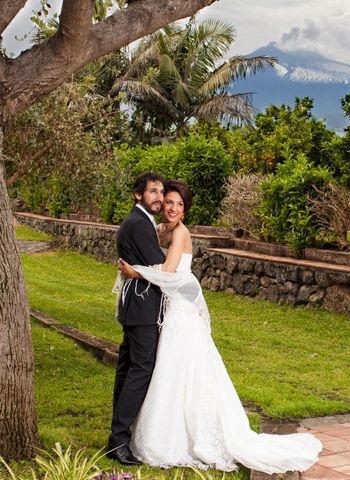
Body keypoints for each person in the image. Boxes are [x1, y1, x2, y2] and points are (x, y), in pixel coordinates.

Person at [117, 180, 322, 474]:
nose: (171, 207)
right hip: (168, 308)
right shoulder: (159, 230)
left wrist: (134, 272)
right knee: (167, 370)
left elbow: (169, 273)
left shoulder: (181, 234)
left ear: (185, 212)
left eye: (178, 205)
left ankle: (187, 437)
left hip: (181, 313)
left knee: (183, 371)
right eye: (168, 201)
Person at [107, 172, 166, 465]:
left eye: (161, 192)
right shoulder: (139, 224)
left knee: (128, 367)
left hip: (135, 305)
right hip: (143, 307)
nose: (158, 197)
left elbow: (149, 263)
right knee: (140, 369)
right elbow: (159, 265)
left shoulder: (140, 222)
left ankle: (117, 436)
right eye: (153, 191)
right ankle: (119, 440)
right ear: (137, 194)